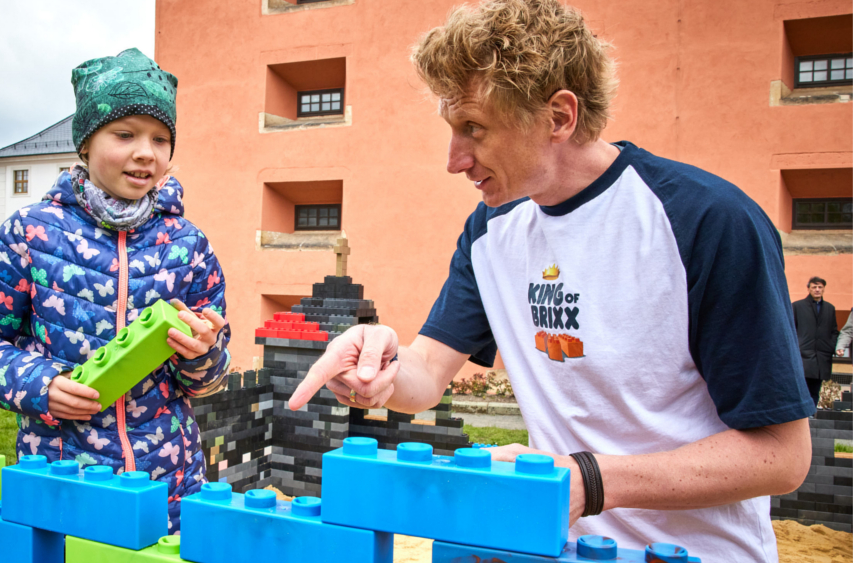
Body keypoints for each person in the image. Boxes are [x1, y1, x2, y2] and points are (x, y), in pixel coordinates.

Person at [287, 1, 813, 559]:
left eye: (474, 129)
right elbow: (427, 377)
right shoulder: (492, 229)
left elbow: (781, 456)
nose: (454, 160)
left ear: (560, 116)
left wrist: (588, 482)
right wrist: (382, 366)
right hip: (554, 547)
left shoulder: (707, 222)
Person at [0, 48, 231, 534]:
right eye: (125, 134)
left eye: (161, 139)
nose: (146, 152)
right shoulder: (30, 234)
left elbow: (207, 380)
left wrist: (203, 353)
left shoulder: (189, 246)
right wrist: (41, 385)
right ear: (85, 145)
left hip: (170, 489)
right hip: (63, 480)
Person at [792, 277, 840, 406]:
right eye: (814, 287)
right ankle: (803, 416)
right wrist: (797, 346)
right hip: (803, 355)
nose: (817, 290)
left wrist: (831, 346)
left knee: (815, 389)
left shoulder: (830, 308)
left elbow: (834, 331)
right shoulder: (797, 306)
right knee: (802, 388)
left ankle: (812, 413)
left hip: (822, 356)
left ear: (824, 289)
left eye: (820, 287)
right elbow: (791, 329)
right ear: (808, 289)